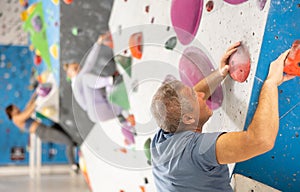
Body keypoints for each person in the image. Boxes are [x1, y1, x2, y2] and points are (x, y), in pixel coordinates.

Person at [150, 42, 295, 192]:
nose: (201, 94)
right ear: (187, 119)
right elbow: (260, 140)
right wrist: (271, 83)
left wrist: (220, 72)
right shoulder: (196, 151)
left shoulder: (164, 133)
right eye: (195, 96)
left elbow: (189, 99)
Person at [5, 93, 79, 172]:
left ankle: (76, 141)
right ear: (12, 112)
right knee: (68, 142)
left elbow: (28, 106)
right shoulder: (16, 118)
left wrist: (35, 94)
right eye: (14, 107)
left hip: (44, 130)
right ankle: (73, 165)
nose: (17, 107)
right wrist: (38, 101)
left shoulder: (19, 115)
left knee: (60, 126)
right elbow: (28, 113)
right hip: (43, 132)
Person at [63, 32, 123, 123]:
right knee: (86, 78)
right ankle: (111, 80)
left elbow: (86, 105)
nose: (79, 69)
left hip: (105, 111)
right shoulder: (77, 82)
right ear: (69, 75)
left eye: (79, 66)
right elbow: (89, 63)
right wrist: (98, 44)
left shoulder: (79, 87)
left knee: (108, 88)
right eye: (75, 69)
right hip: (98, 112)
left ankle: (122, 117)